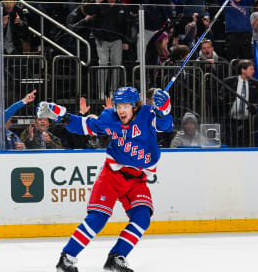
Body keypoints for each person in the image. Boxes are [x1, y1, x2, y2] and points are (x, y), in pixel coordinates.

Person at [37, 86, 173, 272]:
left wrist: (164, 110)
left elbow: (165, 126)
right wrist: (61, 115)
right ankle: (67, 258)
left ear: (135, 105)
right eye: (119, 106)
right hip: (112, 174)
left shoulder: (147, 114)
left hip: (137, 179)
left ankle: (116, 257)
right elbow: (86, 126)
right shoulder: (110, 117)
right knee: (98, 217)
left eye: (126, 106)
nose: (121, 110)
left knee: (142, 217)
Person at [221, 59, 258, 147]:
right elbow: (221, 98)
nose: (253, 71)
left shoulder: (255, 83)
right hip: (230, 121)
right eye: (251, 69)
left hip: (247, 122)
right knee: (231, 145)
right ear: (243, 70)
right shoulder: (229, 82)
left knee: (245, 145)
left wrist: (255, 106)